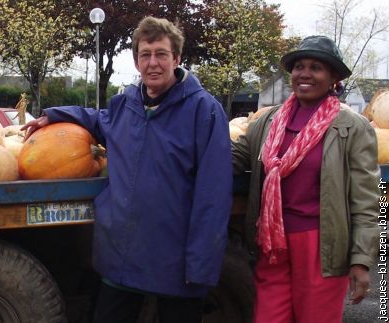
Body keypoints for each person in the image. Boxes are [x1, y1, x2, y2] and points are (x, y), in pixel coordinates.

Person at [22, 16, 232, 323]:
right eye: (145, 55)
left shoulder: (204, 110)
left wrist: (200, 265)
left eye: (161, 54)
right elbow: (96, 119)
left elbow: (213, 195)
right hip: (123, 255)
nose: (153, 63)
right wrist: (52, 114)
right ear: (136, 62)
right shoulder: (126, 105)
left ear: (176, 58)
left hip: (175, 261)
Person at [232, 35, 380, 323]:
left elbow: (366, 199)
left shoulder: (352, 127)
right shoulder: (268, 121)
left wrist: (361, 260)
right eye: (299, 66)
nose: (305, 74)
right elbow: (235, 156)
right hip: (271, 242)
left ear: (333, 77)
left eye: (316, 67)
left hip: (320, 246)